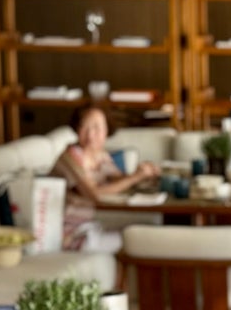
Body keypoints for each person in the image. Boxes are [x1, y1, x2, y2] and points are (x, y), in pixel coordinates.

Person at [51, 103, 160, 252]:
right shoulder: (71, 156)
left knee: (147, 232)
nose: (90, 135)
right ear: (76, 129)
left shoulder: (100, 154)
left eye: (96, 128)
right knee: (140, 241)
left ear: (106, 131)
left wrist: (143, 173)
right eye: (85, 127)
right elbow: (95, 194)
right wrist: (135, 177)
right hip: (70, 232)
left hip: (94, 224)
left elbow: (117, 179)